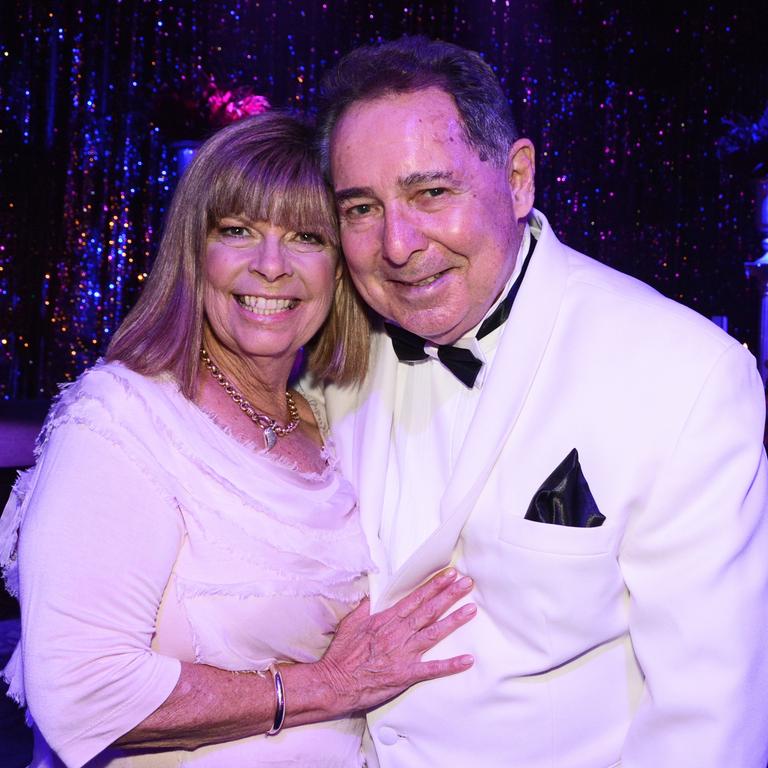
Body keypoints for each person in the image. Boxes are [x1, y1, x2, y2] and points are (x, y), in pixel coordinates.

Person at [305, 36, 768, 767]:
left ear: (518, 178)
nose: (397, 245)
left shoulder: (684, 375)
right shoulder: (324, 356)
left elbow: (708, 718)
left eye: (432, 194)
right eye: (361, 208)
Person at [0, 112, 477, 768]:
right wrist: (331, 686)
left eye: (306, 237)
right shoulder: (125, 418)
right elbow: (82, 692)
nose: (272, 266)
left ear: (339, 267)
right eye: (237, 231)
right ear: (195, 253)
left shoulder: (329, 421)